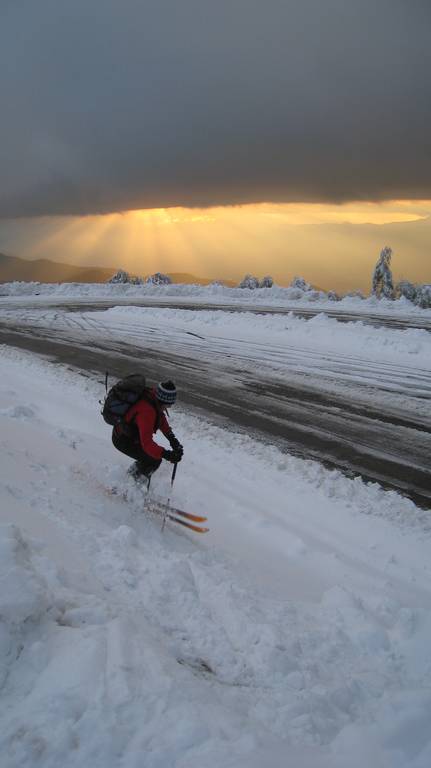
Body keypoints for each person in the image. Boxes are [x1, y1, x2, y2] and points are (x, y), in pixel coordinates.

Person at [112, 379, 183, 481]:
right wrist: (167, 454)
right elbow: (147, 443)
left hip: (129, 436)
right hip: (123, 439)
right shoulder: (147, 412)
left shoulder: (153, 398)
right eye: (169, 404)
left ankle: (128, 482)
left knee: (150, 459)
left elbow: (161, 419)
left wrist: (173, 440)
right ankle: (132, 487)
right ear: (163, 401)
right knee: (153, 460)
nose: (170, 406)